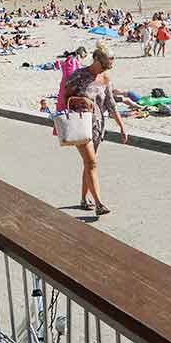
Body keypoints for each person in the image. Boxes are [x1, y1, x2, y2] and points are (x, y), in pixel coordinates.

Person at [61, 48, 127, 217]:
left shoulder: (105, 78)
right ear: (96, 59)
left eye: (110, 64)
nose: (108, 67)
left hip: (97, 125)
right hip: (80, 123)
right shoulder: (78, 75)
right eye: (105, 63)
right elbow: (64, 98)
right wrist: (81, 99)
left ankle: (84, 200)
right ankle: (99, 203)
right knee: (92, 163)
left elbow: (111, 104)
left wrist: (121, 126)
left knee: (89, 163)